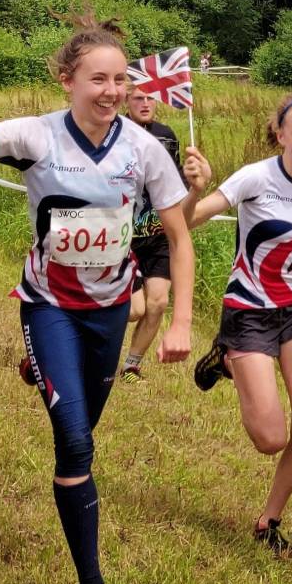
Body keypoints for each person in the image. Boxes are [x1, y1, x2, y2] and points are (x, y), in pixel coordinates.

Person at [0, 4, 195, 584]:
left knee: (83, 426)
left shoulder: (145, 148)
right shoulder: (36, 136)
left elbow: (179, 238)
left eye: (121, 80)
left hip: (108, 314)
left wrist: (179, 320)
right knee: (74, 443)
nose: (112, 91)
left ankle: (46, 371)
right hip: (48, 306)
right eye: (98, 79)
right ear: (67, 80)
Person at [180, 91, 292, 555]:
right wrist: (195, 188)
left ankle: (268, 520)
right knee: (270, 439)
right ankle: (226, 357)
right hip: (249, 310)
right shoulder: (254, 177)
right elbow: (188, 220)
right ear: (280, 135)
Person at [120, 87, 187, 383]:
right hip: (122, 238)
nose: (145, 104)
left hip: (158, 235)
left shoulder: (166, 135)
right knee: (135, 310)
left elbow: (177, 184)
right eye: (138, 98)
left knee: (158, 302)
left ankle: (131, 366)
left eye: (150, 98)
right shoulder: (114, 132)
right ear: (126, 101)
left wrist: (193, 186)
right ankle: (86, 336)